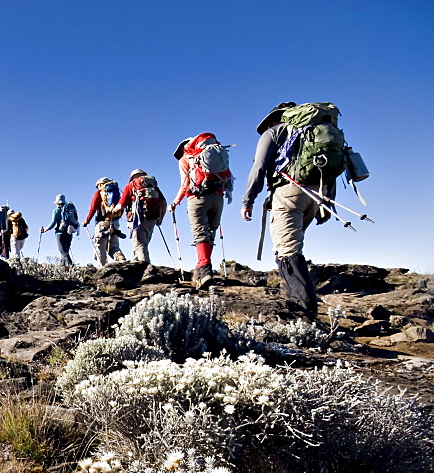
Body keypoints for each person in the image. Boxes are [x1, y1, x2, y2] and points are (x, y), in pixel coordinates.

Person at [241, 102, 332, 318]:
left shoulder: (273, 132)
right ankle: (293, 300)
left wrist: (248, 200)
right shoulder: (315, 132)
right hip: (318, 193)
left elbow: (260, 167)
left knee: (287, 250)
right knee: (292, 246)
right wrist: (327, 202)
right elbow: (329, 167)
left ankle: (305, 311)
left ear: (274, 118)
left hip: (288, 193)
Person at [171, 134, 232, 290]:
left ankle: (205, 270)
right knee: (210, 232)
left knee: (200, 233)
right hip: (218, 198)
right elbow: (228, 175)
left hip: (197, 198)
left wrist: (175, 202)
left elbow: (185, 184)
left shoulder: (185, 159)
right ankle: (201, 269)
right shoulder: (215, 153)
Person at [114, 169, 166, 263]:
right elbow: (164, 203)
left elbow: (121, 206)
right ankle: (138, 266)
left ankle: (146, 270)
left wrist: (113, 210)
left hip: (137, 219)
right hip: (152, 218)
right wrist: (160, 219)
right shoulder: (153, 186)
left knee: (140, 244)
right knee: (142, 244)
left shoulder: (131, 186)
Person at [83, 178, 127, 265]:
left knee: (100, 247)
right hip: (115, 222)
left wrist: (87, 221)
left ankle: (102, 268)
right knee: (113, 246)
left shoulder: (98, 194)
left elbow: (92, 209)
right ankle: (122, 262)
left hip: (102, 224)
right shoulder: (116, 193)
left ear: (100, 185)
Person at [40, 194, 78, 266]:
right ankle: (63, 268)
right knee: (65, 251)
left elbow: (53, 223)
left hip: (60, 233)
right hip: (69, 232)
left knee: (64, 252)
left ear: (57, 203)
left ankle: (72, 267)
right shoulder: (70, 209)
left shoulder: (56, 211)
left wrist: (45, 230)